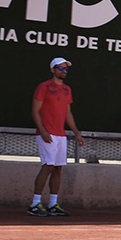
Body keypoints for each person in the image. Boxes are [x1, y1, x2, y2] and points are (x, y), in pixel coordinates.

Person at [29, 57, 86, 217]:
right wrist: (43, 130)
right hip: (47, 134)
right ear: (53, 70)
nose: (63, 71)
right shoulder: (43, 87)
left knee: (58, 169)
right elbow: (35, 111)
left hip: (61, 135)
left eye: (65, 69)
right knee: (47, 166)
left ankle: (53, 204)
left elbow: (68, 113)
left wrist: (76, 132)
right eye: (60, 68)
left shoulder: (67, 90)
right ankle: (34, 204)